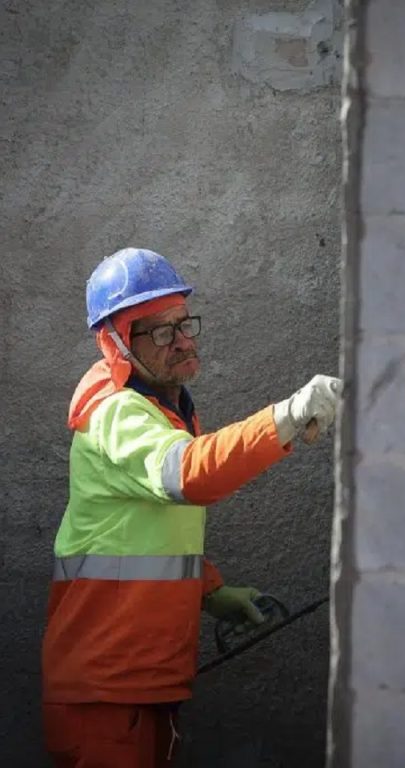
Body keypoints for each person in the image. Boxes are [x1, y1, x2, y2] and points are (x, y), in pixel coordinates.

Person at [41, 247, 341, 767]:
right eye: (159, 331)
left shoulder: (165, 410)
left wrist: (212, 591)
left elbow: (137, 538)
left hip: (137, 686)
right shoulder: (117, 416)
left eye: (184, 323)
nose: (182, 340)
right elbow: (191, 475)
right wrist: (287, 417)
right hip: (105, 697)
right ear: (115, 344)